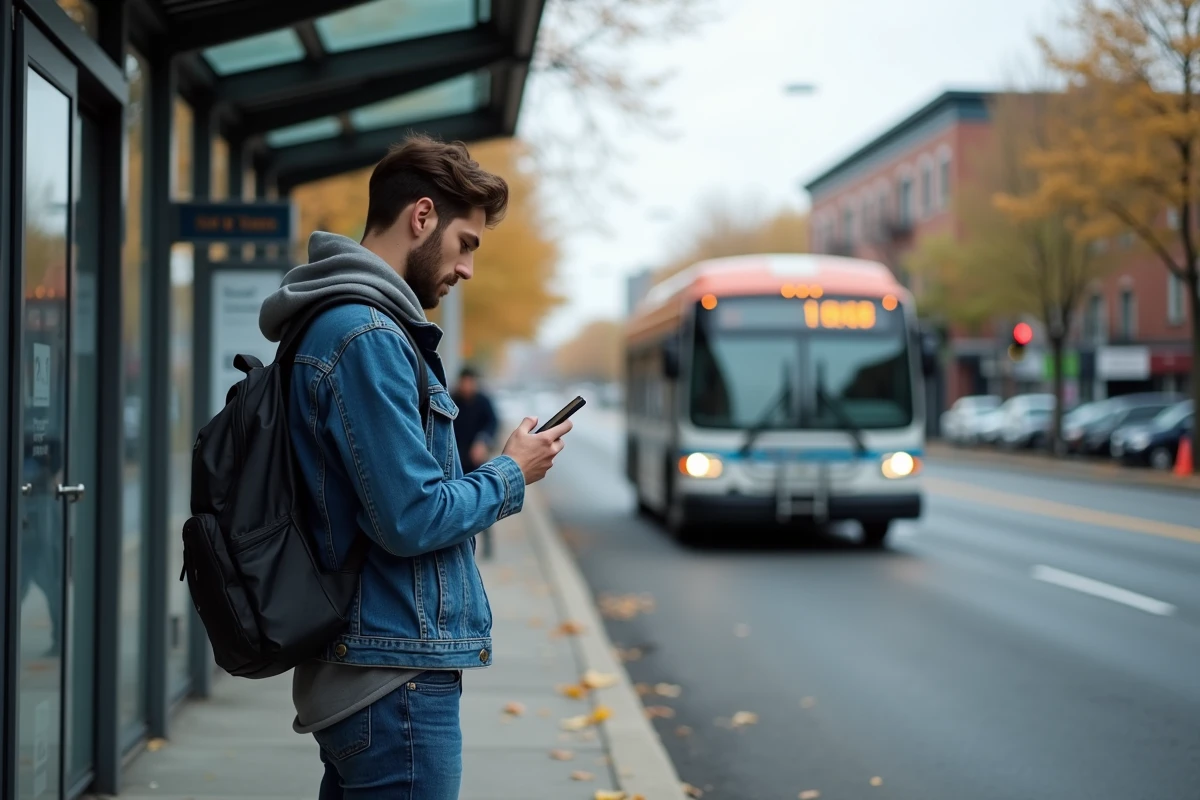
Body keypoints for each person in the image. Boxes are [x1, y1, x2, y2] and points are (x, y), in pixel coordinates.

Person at [258, 134, 572, 800]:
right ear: (422, 217)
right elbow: (411, 514)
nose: (467, 270)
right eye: (467, 244)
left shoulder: (356, 326)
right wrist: (512, 473)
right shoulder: (366, 336)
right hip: (392, 680)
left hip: (379, 667)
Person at [452, 367, 499, 473]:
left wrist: (483, 441)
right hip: (455, 456)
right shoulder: (452, 401)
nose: (467, 386)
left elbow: (492, 422)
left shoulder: (483, 401)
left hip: (476, 456)